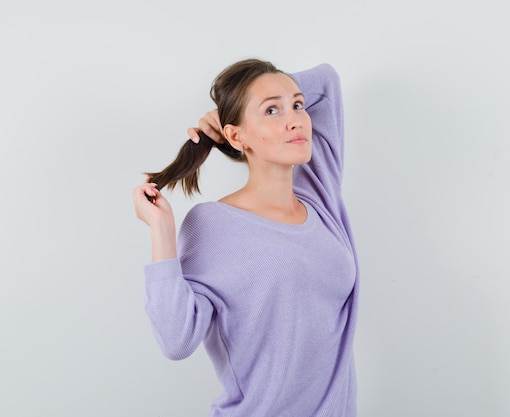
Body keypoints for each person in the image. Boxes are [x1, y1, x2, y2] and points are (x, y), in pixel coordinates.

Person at [132, 58, 360, 416]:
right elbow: (177, 340)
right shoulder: (213, 225)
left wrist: (237, 106)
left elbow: (326, 81)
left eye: (298, 105)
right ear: (237, 136)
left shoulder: (321, 194)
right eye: (272, 110)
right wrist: (162, 231)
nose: (295, 118)